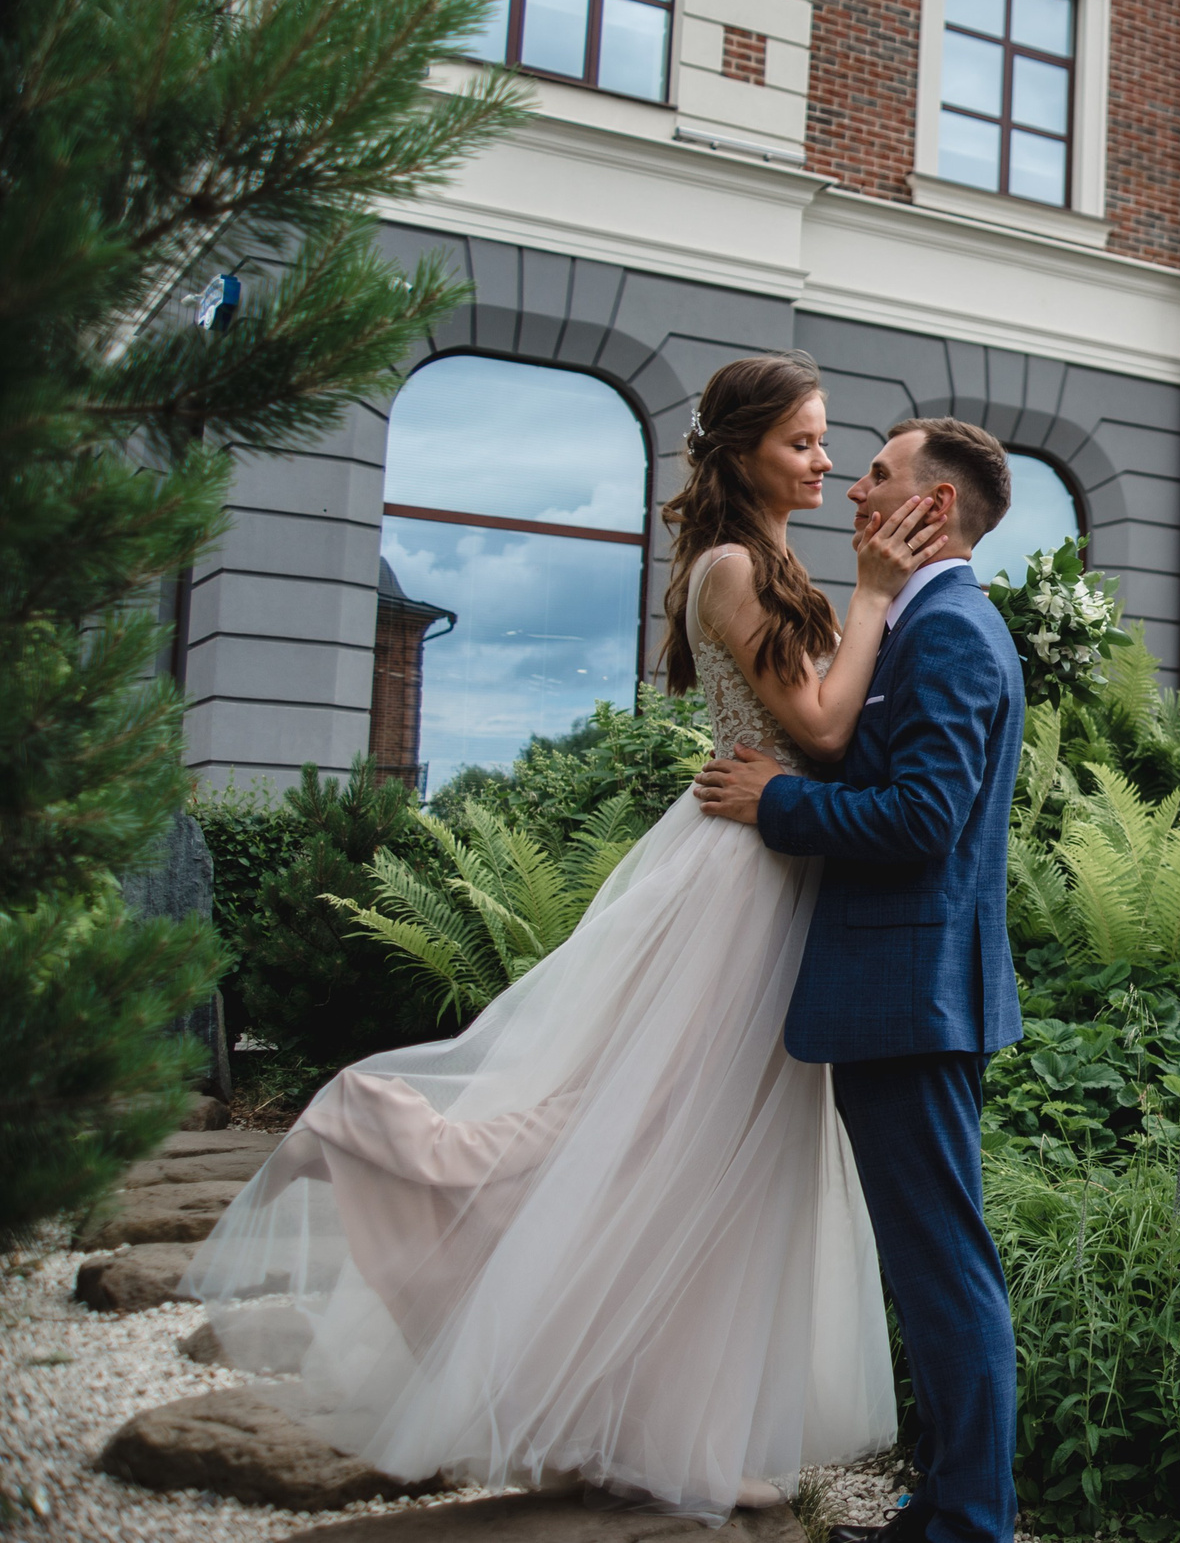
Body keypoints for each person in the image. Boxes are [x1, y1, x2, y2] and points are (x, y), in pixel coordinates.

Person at [185, 351, 949, 1524]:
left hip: (774, 873)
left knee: (714, 1162)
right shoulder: (738, 564)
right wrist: (877, 596)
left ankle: (662, 1422)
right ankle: (380, 1136)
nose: (825, 460)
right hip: (740, 887)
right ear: (744, 448)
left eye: (827, 439)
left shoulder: (770, 555)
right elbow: (823, 729)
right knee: (658, 1141)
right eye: (804, 440)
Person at [691, 415, 1026, 1543]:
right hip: (901, 994)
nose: (852, 489)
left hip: (914, 997)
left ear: (930, 508)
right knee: (930, 1264)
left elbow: (924, 818)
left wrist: (775, 802)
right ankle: (940, 1505)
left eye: (876, 475)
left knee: (943, 1268)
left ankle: (965, 1523)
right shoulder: (921, 623)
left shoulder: (953, 636)